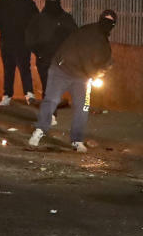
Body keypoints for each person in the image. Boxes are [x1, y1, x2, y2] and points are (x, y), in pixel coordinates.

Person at [28, 9, 117, 153]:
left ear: (113, 25)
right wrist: (94, 75)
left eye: (110, 21)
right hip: (62, 70)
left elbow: (105, 62)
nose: (107, 23)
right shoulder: (88, 32)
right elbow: (86, 57)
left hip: (81, 76)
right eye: (105, 19)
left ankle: (77, 139)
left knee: (83, 107)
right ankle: (39, 131)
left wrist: (102, 71)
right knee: (51, 100)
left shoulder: (104, 44)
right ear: (100, 19)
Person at [25, 0, 77, 124]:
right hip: (48, 59)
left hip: (56, 59)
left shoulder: (63, 19)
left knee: (51, 87)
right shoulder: (42, 19)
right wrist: (38, 51)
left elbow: (74, 38)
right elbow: (30, 38)